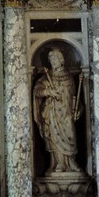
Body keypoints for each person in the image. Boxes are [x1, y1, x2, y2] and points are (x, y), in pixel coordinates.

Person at [32, 47, 84, 175]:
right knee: (54, 138)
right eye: (51, 59)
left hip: (66, 114)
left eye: (55, 58)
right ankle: (58, 164)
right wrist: (49, 92)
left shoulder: (69, 78)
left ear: (61, 60)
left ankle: (71, 163)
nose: (52, 61)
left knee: (70, 135)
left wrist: (78, 109)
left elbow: (75, 97)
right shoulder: (47, 77)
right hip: (52, 113)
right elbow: (37, 91)